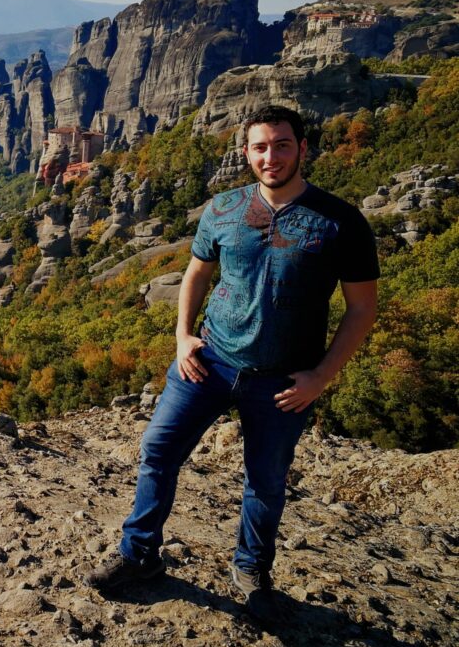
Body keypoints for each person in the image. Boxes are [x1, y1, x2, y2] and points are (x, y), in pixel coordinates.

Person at [85, 106, 379, 619]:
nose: (271, 156)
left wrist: (320, 377)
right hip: (210, 361)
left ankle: (251, 571)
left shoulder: (341, 222)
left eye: (282, 145)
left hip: (284, 380)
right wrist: (182, 338)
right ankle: (139, 555)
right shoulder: (222, 208)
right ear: (245, 153)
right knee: (158, 451)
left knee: (265, 481)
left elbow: (362, 309)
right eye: (260, 147)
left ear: (303, 149)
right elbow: (196, 274)